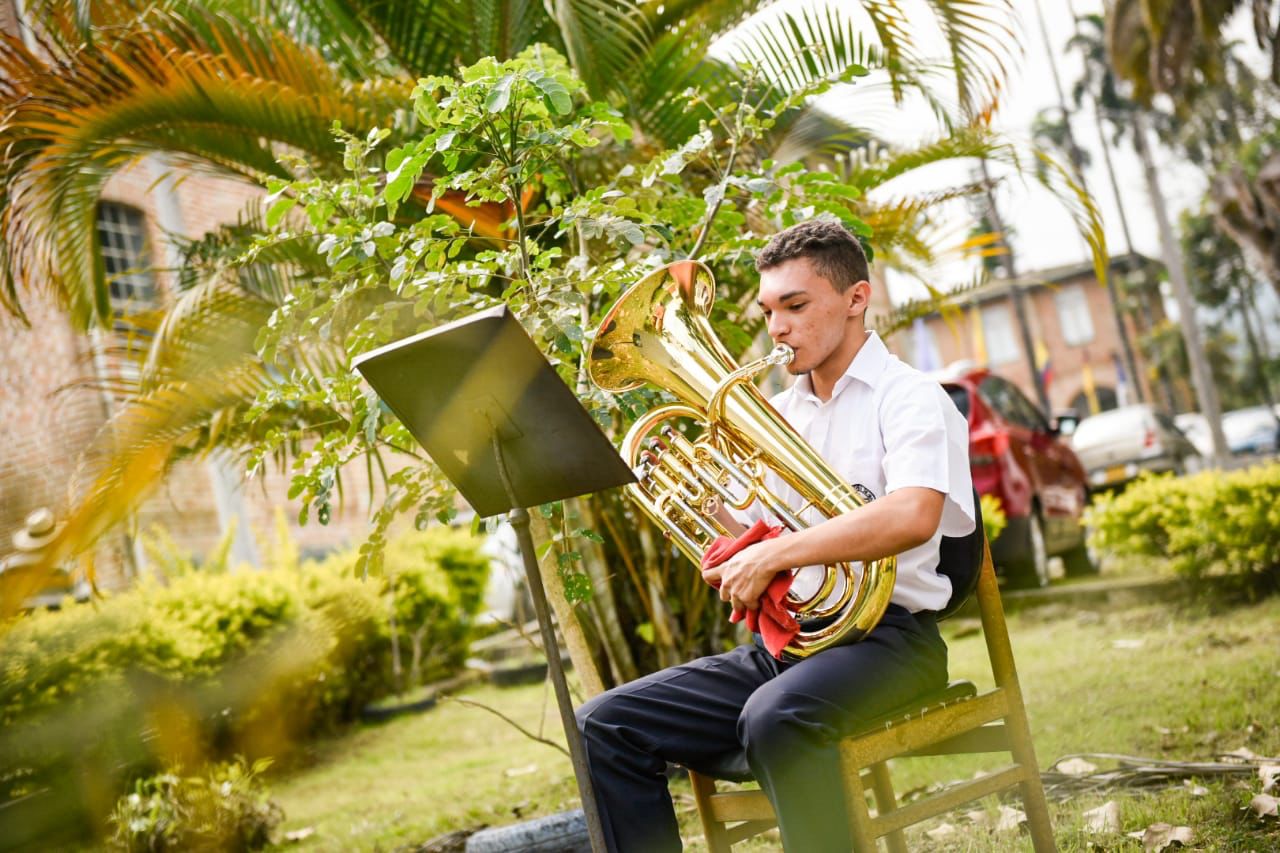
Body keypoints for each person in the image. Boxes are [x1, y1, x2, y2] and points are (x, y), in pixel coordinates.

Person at [576, 219, 975, 852]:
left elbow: (912, 515)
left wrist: (773, 554)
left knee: (774, 715)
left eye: (795, 306)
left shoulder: (911, 398)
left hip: (891, 644)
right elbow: (760, 536)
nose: (777, 327)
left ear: (856, 298)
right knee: (602, 722)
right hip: (792, 646)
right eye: (768, 311)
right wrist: (712, 518)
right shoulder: (775, 414)